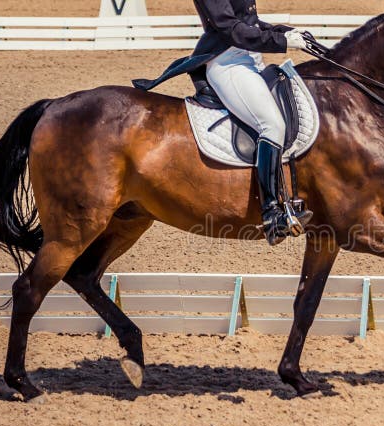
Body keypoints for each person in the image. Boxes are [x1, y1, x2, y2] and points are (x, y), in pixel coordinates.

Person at [133, 0, 311, 245]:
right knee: (272, 125)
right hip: (228, 63)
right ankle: (272, 213)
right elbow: (230, 28)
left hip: (250, 59)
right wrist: (280, 42)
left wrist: (284, 31)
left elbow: (249, 22)